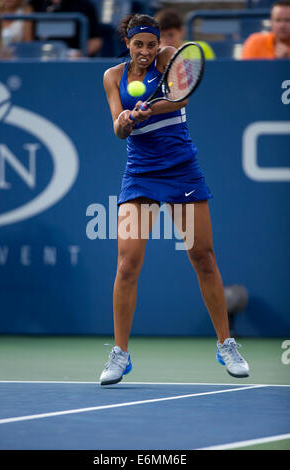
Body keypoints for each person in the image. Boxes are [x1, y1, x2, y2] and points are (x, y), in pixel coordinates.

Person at [99, 13, 250, 386]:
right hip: (140, 175)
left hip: (181, 168)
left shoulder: (170, 57)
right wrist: (125, 123)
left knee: (203, 256)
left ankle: (226, 343)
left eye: (151, 44)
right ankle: (120, 354)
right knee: (127, 264)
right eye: (139, 45)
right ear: (128, 44)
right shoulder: (113, 77)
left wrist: (147, 109)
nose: (147, 51)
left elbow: (179, 95)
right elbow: (118, 128)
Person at [28, 0, 103, 57]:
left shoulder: (85, 6)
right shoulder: (34, 5)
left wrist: (79, 55)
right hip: (39, 57)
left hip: (72, 60)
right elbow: (27, 40)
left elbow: (95, 41)